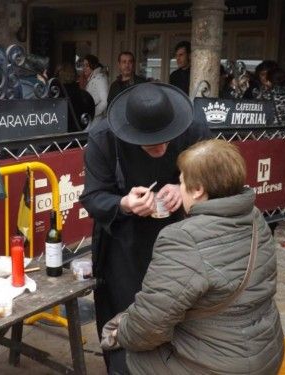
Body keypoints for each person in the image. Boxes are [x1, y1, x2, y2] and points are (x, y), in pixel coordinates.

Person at [101, 139, 285, 375]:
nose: (180, 188)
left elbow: (150, 325)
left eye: (181, 182)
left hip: (223, 366)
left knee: (121, 357)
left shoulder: (184, 237)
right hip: (266, 353)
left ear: (198, 190)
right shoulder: (255, 216)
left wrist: (118, 333)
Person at [79, 82, 211, 373]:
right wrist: (124, 203)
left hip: (181, 237)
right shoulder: (104, 138)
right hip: (124, 243)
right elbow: (92, 197)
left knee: (181, 313)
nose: (162, 148)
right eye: (152, 143)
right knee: (125, 317)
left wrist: (183, 185)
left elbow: (213, 174)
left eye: (167, 139)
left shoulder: (192, 127)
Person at [55, 62, 95, 132]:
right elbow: (89, 116)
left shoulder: (56, 95)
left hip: (59, 138)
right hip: (80, 137)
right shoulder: (85, 95)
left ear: (59, 75)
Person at [82, 54, 109, 128]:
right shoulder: (93, 78)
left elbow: (105, 101)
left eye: (87, 65)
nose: (84, 68)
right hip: (92, 120)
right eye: (83, 65)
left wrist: (92, 113)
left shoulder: (100, 78)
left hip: (97, 121)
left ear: (93, 65)